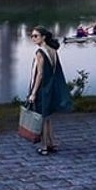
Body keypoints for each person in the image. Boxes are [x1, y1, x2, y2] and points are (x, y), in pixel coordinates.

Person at [27, 26, 72, 155]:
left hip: (42, 88)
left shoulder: (40, 52)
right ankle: (52, 143)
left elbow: (40, 74)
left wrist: (33, 93)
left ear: (43, 37)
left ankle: (44, 146)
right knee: (47, 117)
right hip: (50, 86)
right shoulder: (53, 50)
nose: (33, 38)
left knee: (42, 117)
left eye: (36, 36)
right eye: (32, 36)